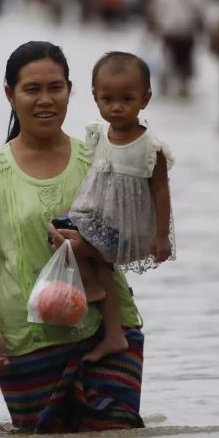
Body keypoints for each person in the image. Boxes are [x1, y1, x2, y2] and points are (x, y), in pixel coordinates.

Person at [0, 41, 146, 433]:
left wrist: (88, 247)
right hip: (27, 343)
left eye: (55, 88)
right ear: (10, 94)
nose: (45, 100)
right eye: (32, 89)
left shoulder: (99, 160)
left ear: (71, 91)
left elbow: (134, 241)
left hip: (108, 330)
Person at [59, 51, 174, 363]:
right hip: (97, 214)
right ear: (95, 97)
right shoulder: (99, 133)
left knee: (83, 250)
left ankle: (99, 298)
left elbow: (161, 192)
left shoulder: (151, 147)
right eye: (107, 99)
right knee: (56, 232)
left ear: (145, 98)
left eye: (127, 98)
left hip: (127, 226)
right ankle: (112, 332)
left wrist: (161, 236)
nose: (117, 107)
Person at [147, 0, 209, 97]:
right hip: (168, 35)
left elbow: (202, 15)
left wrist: (204, 34)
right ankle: (166, 89)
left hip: (187, 35)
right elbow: (154, 10)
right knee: (167, 65)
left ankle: (184, 89)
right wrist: (151, 30)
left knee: (186, 67)